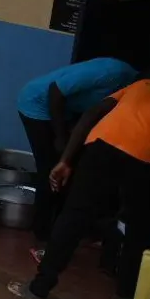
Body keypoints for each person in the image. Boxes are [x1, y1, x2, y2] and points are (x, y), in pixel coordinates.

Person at [22, 63, 150, 299]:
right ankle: (125, 293)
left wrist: (66, 160)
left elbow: (91, 114)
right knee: (138, 224)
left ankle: (40, 286)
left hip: (102, 145)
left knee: (75, 214)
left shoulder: (136, 87)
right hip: (149, 157)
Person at [15, 57, 139, 245]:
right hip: (37, 104)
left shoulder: (130, 90)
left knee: (71, 167)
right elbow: (55, 90)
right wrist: (60, 136)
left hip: (66, 111)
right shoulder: (113, 73)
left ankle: (64, 227)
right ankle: (42, 231)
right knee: (50, 168)